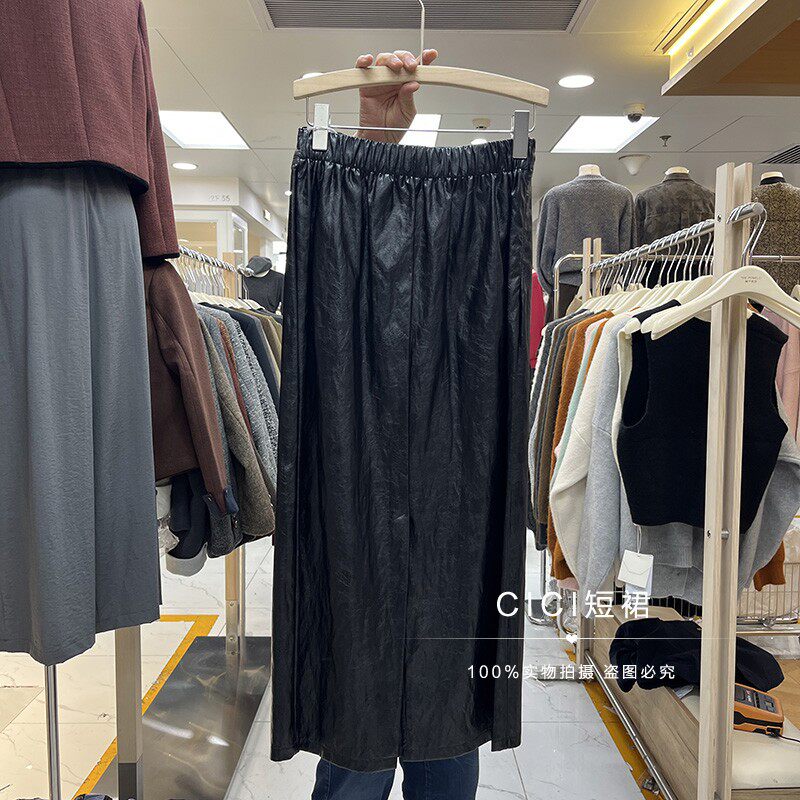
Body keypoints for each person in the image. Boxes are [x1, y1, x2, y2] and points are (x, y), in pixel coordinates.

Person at [308, 48, 481, 800]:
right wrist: (371, 145)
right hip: (362, 460)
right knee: (364, 661)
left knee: (445, 666)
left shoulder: (483, 247)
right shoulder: (340, 242)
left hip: (455, 459)